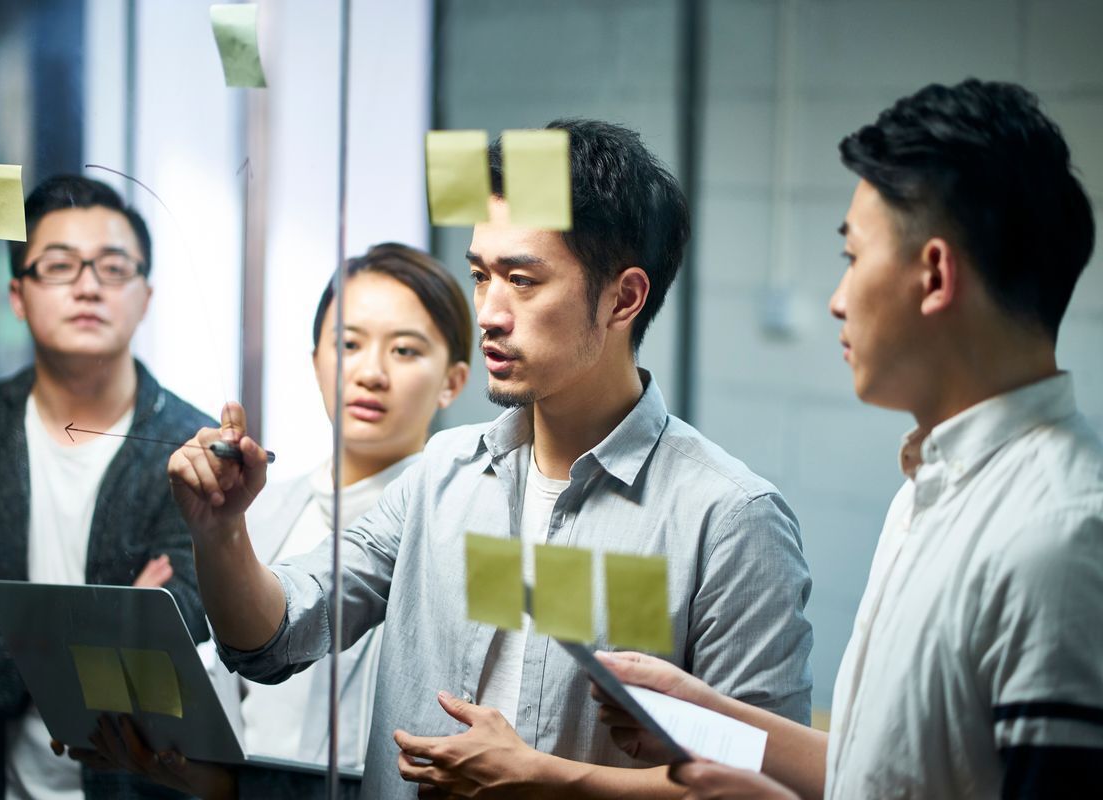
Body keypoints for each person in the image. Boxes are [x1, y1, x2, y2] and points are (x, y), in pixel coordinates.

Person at [167, 118, 814, 799]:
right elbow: (275, 635)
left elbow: (761, 784)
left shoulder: (729, 519)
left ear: (623, 297)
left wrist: (550, 783)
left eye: (523, 281)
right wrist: (221, 531)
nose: (490, 314)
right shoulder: (442, 472)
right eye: (480, 276)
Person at [594, 79, 1103, 799]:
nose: (837, 298)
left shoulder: (1057, 536)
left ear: (933, 275)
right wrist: (707, 716)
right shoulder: (936, 486)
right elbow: (888, 774)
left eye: (853, 257)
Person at [67, 243, 472, 798]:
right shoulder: (254, 511)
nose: (371, 373)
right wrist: (180, 767)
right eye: (348, 344)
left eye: (405, 350)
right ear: (315, 362)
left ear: (453, 380)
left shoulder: (463, 526)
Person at [0, 175, 214, 800]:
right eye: (59, 266)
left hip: (142, 788)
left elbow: (190, 614)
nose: (88, 285)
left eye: (114, 267)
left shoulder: (191, 446)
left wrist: (15, 631)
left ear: (146, 295)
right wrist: (113, 626)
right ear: (18, 295)